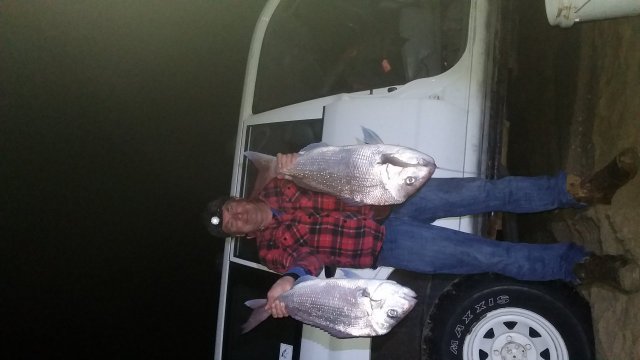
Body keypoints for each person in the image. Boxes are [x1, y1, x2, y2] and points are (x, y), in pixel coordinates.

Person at [205, 148, 640, 319]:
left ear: (236, 198)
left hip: (393, 198)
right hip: (388, 243)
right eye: (230, 225)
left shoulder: (285, 179)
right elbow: (311, 262)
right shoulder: (269, 250)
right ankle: (581, 265)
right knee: (488, 257)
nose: (237, 216)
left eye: (230, 208)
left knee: (491, 190)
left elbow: (342, 166)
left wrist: (296, 160)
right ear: (235, 235)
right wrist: (291, 282)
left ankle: (585, 192)